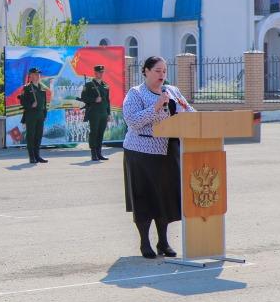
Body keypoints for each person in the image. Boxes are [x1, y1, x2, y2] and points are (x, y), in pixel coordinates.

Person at [122, 55, 195, 259]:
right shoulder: (136, 93)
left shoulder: (173, 91)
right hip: (141, 153)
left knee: (166, 197)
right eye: (157, 71)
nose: (162, 75)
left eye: (164, 71)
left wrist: (191, 114)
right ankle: (145, 242)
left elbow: (190, 112)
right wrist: (156, 107)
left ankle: (163, 242)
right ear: (145, 71)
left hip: (169, 150)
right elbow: (133, 121)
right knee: (145, 198)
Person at [80, 64, 111, 161]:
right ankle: (93, 153)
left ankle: (99, 153)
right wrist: (94, 99)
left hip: (103, 113)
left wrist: (108, 113)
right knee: (94, 133)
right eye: (99, 72)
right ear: (95, 73)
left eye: (102, 72)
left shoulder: (105, 85)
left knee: (101, 133)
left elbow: (107, 100)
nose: (101, 74)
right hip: (94, 113)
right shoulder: (89, 85)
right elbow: (83, 98)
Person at [20, 68, 49, 164]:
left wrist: (44, 114)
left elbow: (44, 103)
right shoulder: (27, 88)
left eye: (38, 75)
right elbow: (22, 101)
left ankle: (37, 155)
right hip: (31, 115)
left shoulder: (42, 87)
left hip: (40, 115)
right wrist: (30, 105)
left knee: (38, 135)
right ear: (30, 76)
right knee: (31, 136)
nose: (37, 76)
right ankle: (31, 156)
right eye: (35, 74)